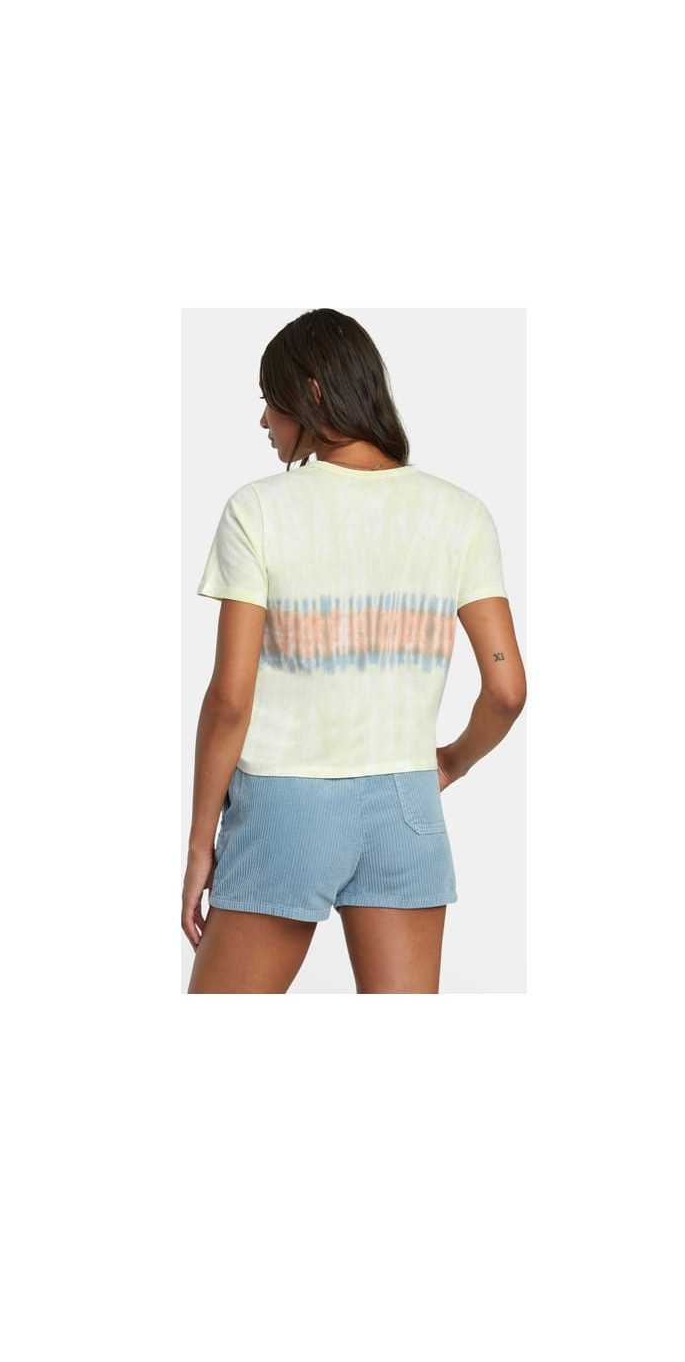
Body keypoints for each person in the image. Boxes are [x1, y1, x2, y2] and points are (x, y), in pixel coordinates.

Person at [184, 308, 526, 993]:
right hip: (407, 808)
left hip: (287, 809)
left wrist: (199, 844)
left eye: (271, 400)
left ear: (311, 395)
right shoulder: (459, 514)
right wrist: (451, 762)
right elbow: (507, 689)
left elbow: (231, 699)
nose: (264, 421)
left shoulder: (259, 510)